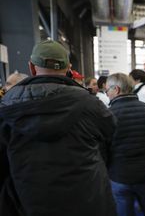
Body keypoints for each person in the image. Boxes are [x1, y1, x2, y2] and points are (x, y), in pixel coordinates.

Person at [0, 40, 117, 216]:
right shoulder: (90, 104)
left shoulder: (6, 106)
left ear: (32, 67)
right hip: (87, 198)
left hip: (29, 201)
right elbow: (111, 139)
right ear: (69, 68)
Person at [106, 73, 145, 216]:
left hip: (119, 176)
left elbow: (102, 149)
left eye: (107, 91)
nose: (107, 94)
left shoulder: (107, 115)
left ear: (116, 89)